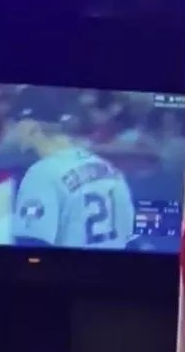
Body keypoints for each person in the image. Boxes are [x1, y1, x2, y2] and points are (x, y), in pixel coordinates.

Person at [8, 89, 135, 249]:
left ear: (31, 127)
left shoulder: (41, 174)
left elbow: (31, 245)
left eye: (16, 123)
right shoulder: (108, 168)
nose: (13, 130)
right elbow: (130, 238)